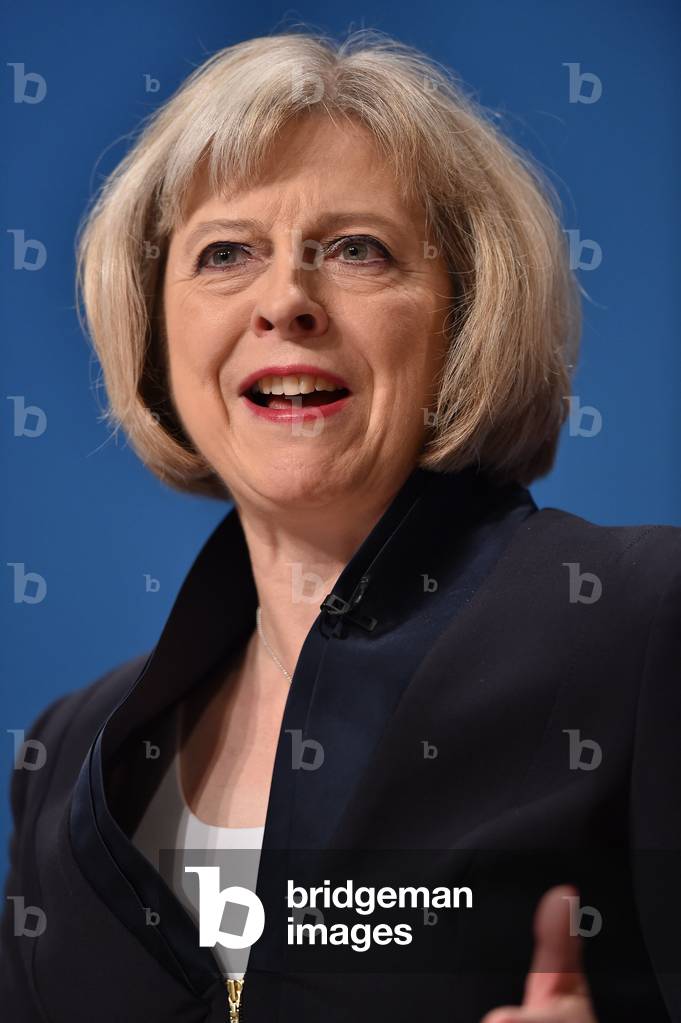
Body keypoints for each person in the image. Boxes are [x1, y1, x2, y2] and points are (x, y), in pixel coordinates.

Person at [2, 28, 679, 1023]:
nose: (285, 301)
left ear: (465, 310)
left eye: (359, 250)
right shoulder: (64, 753)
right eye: (226, 253)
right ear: (155, 331)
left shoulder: (647, 624)